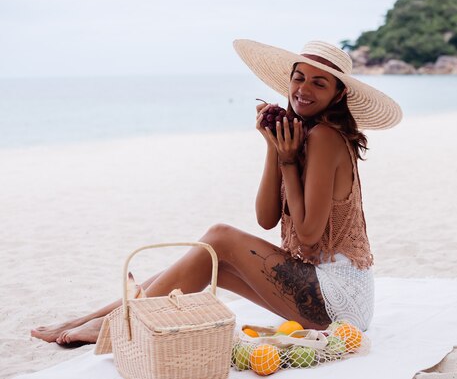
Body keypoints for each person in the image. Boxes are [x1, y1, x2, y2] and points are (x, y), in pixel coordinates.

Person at [31, 39, 402, 346]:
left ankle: (115, 326)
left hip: (339, 302)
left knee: (220, 236)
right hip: (315, 291)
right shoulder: (300, 136)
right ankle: (95, 318)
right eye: (299, 78)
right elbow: (267, 218)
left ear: (338, 95)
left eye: (319, 84)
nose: (303, 90)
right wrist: (274, 148)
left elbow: (307, 239)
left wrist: (288, 161)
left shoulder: (324, 138)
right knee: (207, 257)